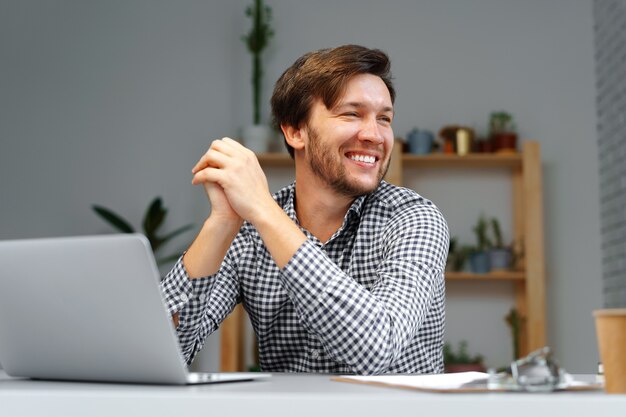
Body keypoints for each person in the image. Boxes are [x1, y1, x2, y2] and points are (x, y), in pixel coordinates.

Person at [160, 44, 449, 375]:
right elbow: (162, 352)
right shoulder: (250, 231)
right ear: (295, 131)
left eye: (384, 118)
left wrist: (264, 211)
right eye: (352, 114)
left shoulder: (415, 220)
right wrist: (222, 222)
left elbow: (376, 348)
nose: (374, 135)